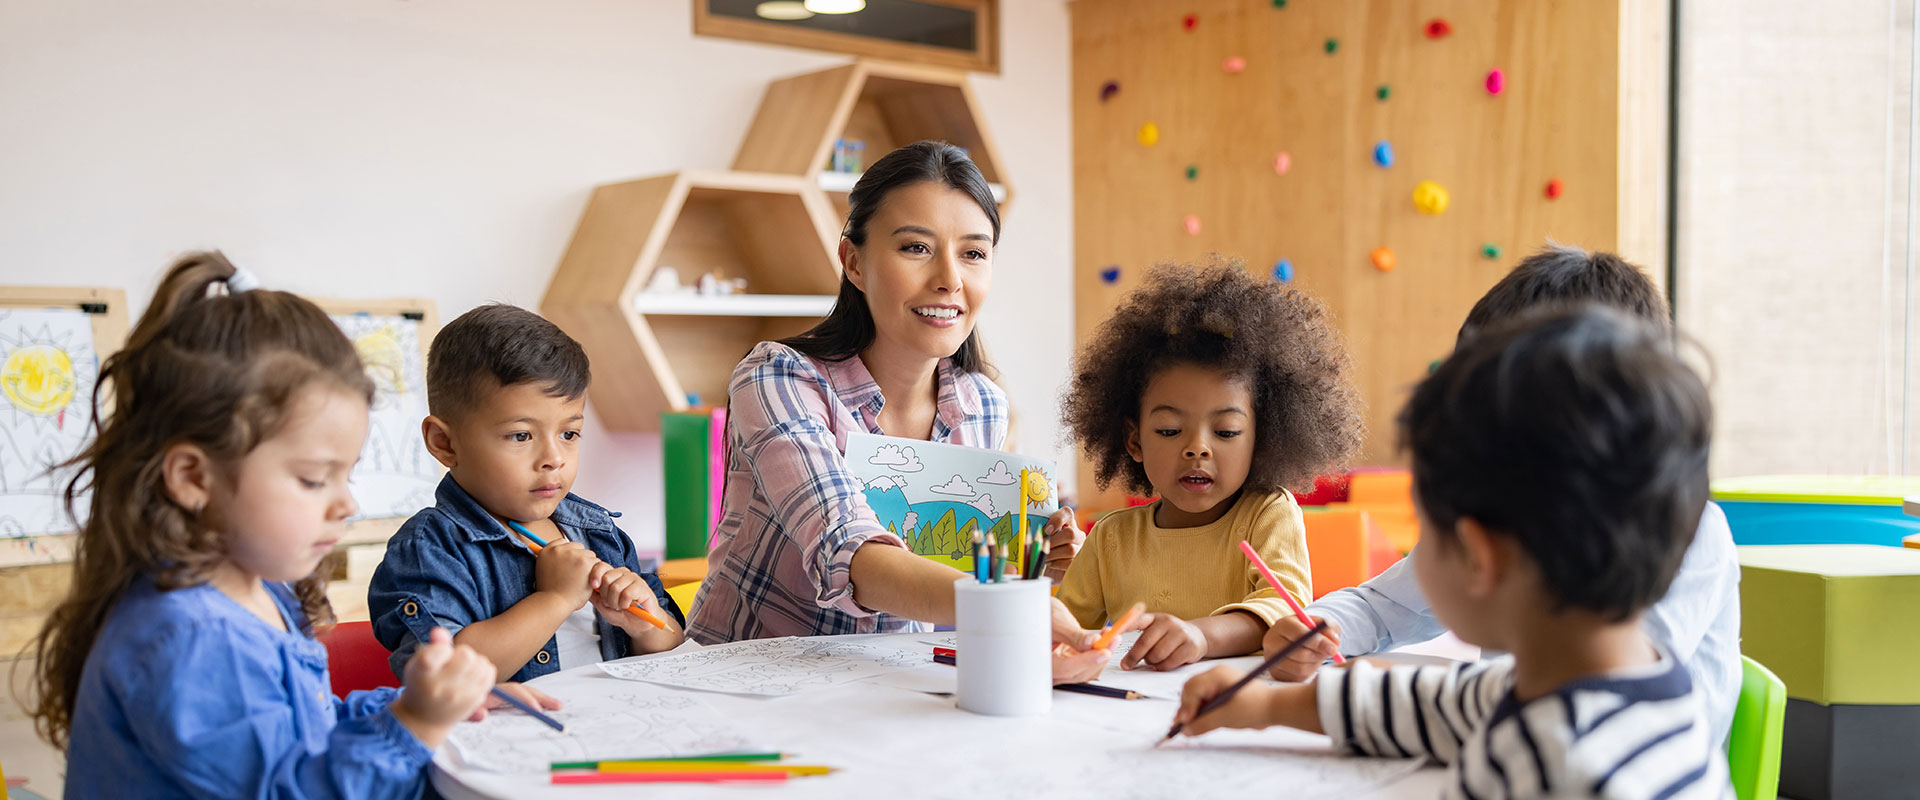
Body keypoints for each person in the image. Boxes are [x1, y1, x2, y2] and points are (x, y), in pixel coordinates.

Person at [33, 252, 551, 798]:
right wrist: (414, 726)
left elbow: (308, 730)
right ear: (193, 477)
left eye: (345, 476)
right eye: (311, 479)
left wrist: (424, 702)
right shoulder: (194, 638)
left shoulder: (254, 592)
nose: (346, 504)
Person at [1175, 305, 1732, 799]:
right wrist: (1265, 708)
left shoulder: (1559, 768)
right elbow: (1437, 704)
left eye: (1427, 525)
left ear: (1477, 558)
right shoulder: (1591, 684)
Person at [1263, 244, 1743, 741]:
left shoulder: (1687, 533)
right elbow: (1385, 604)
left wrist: (1385, 697)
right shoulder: (1500, 511)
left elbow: (1588, 698)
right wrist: (1318, 625)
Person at [688, 140, 1115, 679]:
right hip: (739, 683)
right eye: (916, 247)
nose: (950, 279)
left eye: (974, 253)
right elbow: (849, 551)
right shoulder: (778, 377)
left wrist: (1032, 569)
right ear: (854, 262)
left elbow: (954, 592)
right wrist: (1002, 602)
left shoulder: (982, 405)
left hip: (887, 686)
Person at [1054, 261, 1363, 671]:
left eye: (1227, 432)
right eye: (1168, 430)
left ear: (1262, 439)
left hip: (1239, 709)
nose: (1197, 449)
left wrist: (1200, 636)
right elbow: (1064, 627)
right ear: (1134, 440)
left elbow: (1280, 609)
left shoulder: (1267, 513)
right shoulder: (1111, 538)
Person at [370, 304, 684, 682]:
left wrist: (646, 624)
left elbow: (673, 644)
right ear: (445, 443)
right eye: (521, 435)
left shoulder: (599, 533)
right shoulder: (430, 548)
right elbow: (445, 676)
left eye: (569, 434)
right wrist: (554, 600)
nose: (553, 458)